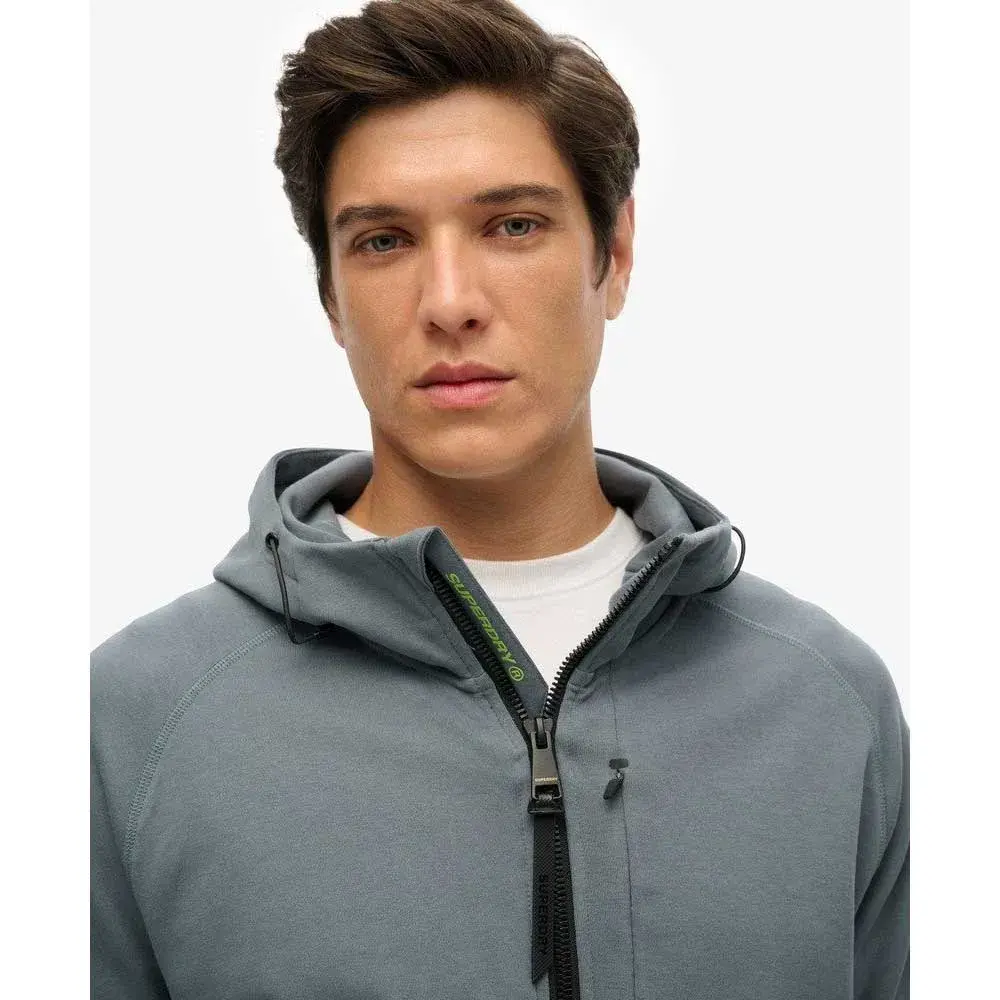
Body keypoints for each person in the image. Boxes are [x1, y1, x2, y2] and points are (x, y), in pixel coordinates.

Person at [90, 1, 909, 997]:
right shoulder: (134, 720)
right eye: (383, 241)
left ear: (614, 254)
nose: (449, 302)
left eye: (512, 225)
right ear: (329, 295)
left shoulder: (825, 705)